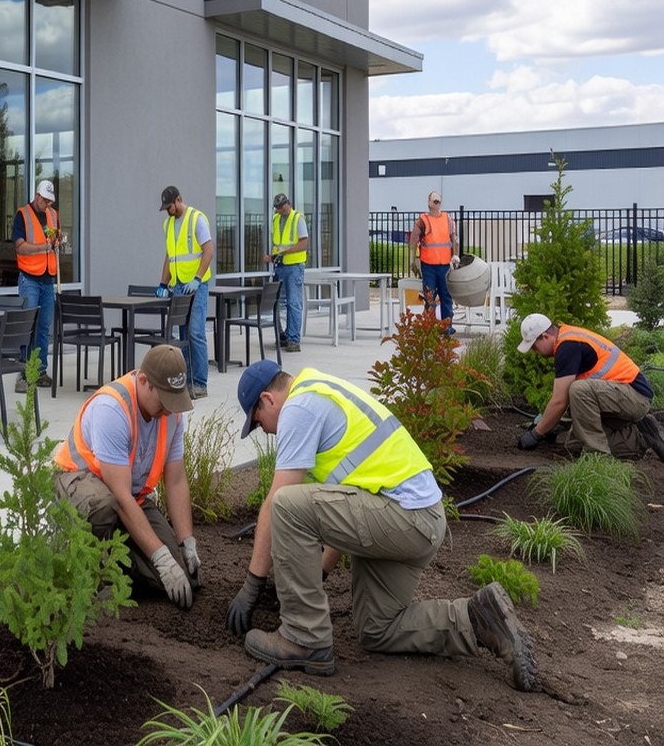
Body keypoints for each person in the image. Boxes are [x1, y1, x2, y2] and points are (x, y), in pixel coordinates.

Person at [226, 359, 538, 690]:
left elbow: (277, 503)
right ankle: (479, 619)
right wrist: (316, 574)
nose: (266, 431)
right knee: (378, 628)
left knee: (286, 504)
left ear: (268, 399)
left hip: (404, 517)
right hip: (416, 520)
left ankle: (303, 637)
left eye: (258, 422)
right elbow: (346, 505)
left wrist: (252, 585)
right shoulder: (323, 392)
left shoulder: (299, 407)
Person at [53, 345, 199, 608]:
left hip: (130, 496)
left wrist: (185, 542)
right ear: (143, 381)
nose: (169, 409)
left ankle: (118, 562)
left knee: (180, 578)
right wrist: (159, 556)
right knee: (104, 507)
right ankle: (88, 574)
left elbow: (176, 481)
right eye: (164, 400)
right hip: (80, 486)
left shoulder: (172, 414)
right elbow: (119, 498)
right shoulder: (112, 408)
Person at [516, 314, 664, 460]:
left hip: (636, 396)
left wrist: (536, 434)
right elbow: (568, 402)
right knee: (575, 444)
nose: (534, 351)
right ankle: (641, 437)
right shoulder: (566, 338)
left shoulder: (567, 346)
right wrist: (546, 425)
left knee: (578, 390)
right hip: (618, 398)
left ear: (545, 336)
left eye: (534, 346)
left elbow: (560, 401)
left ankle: (596, 455)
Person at [156, 185, 213, 398]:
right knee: (182, 335)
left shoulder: (197, 219)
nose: (168, 211)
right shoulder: (168, 224)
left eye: (169, 207)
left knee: (195, 332)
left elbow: (208, 251)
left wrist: (197, 278)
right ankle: (187, 382)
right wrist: (163, 283)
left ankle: (200, 383)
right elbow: (170, 257)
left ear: (178, 200)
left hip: (197, 285)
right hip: (179, 285)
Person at [13, 179, 60, 391]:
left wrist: (58, 244)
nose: (48, 205)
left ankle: (40, 371)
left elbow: (55, 240)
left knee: (43, 328)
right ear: (37, 196)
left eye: (51, 202)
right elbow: (20, 247)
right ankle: (23, 373)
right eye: (46, 201)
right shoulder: (23, 215)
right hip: (30, 278)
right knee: (27, 326)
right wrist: (43, 248)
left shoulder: (53, 215)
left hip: (48, 279)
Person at [409, 191, 459, 333]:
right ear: (429, 203)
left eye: (439, 202)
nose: (437, 204)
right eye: (434, 201)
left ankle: (447, 327)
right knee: (430, 297)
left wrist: (455, 256)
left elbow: (453, 238)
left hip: (444, 265)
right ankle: (429, 328)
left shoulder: (447, 219)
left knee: (446, 296)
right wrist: (413, 261)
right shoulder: (423, 220)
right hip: (428, 265)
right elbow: (414, 240)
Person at [265, 192, 309, 353]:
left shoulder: (298, 218)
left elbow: (304, 243)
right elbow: (278, 244)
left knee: (293, 303)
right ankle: (283, 336)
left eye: (282, 207)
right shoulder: (276, 219)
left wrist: (286, 252)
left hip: (294, 267)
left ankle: (293, 340)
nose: (280, 210)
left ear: (288, 204)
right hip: (280, 265)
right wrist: (272, 257)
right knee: (277, 303)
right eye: (277, 208)